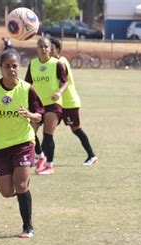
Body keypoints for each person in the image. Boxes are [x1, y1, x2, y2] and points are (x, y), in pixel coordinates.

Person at [0, 49, 45, 238]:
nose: (11, 70)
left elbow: (40, 115)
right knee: (6, 192)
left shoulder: (27, 89)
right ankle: (22, 184)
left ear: (19, 67)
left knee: (20, 185)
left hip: (23, 142)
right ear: (0, 68)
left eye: (14, 66)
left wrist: (30, 115)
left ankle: (28, 226)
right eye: (7, 66)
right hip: (0, 147)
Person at [48, 37, 98, 166]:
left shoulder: (61, 62)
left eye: (51, 49)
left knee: (76, 129)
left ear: (58, 50)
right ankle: (41, 156)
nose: (48, 51)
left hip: (68, 102)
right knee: (47, 130)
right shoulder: (56, 62)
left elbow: (63, 82)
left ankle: (92, 155)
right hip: (60, 103)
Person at [25, 37, 69, 175]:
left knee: (47, 135)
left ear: (50, 49)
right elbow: (27, 85)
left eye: (46, 46)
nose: (44, 49)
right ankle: (40, 155)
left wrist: (59, 92)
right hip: (37, 105)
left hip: (53, 104)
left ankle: (49, 166)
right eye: (41, 46)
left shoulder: (57, 64)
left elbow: (65, 82)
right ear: (37, 48)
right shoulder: (32, 64)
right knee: (29, 133)